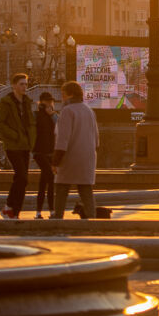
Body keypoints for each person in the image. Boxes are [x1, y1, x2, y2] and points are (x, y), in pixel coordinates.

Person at [54, 80, 98, 219]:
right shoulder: (89, 111)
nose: (61, 97)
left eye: (63, 94)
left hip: (70, 157)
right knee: (86, 190)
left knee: (61, 188)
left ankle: (57, 217)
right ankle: (92, 218)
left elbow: (62, 139)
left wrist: (55, 161)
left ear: (70, 95)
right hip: (88, 157)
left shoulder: (67, 111)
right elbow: (96, 138)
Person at [0, 73, 35, 219]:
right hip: (12, 145)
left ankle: (14, 212)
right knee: (22, 177)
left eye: (26, 84)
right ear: (14, 86)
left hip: (25, 146)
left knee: (23, 179)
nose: (25, 87)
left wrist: (32, 141)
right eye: (22, 84)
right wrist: (14, 135)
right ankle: (9, 206)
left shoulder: (27, 102)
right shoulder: (6, 102)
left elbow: (31, 123)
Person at [33, 92, 58, 219]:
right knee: (50, 177)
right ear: (41, 102)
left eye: (51, 101)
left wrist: (52, 114)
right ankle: (52, 210)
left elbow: (60, 126)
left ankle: (38, 212)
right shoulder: (36, 115)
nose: (50, 103)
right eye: (47, 101)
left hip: (49, 152)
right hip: (39, 152)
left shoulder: (53, 116)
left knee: (44, 182)